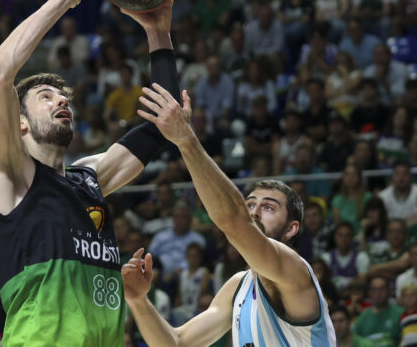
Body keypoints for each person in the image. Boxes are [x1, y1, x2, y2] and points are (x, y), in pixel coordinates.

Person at [0, 0, 183, 344]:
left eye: (64, 98)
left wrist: (158, 31)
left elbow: (162, 123)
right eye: (45, 96)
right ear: (20, 123)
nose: (60, 100)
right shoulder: (11, 176)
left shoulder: (90, 178)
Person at [121, 83, 335, 345]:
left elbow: (235, 221)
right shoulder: (237, 286)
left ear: (291, 228)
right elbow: (176, 343)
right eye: (250, 204)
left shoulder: (295, 269)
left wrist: (186, 140)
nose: (255, 212)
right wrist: (138, 301)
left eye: (268, 207)